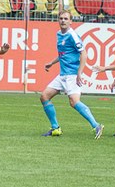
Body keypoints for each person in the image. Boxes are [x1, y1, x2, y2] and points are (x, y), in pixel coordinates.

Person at [39, 10, 104, 139]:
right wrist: (52, 63)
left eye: (66, 18)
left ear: (71, 21)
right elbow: (63, 54)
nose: (63, 20)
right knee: (44, 96)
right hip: (62, 75)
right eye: (61, 18)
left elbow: (83, 53)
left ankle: (96, 125)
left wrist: (79, 73)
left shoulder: (72, 35)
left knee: (74, 102)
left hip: (72, 75)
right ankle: (55, 128)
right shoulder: (59, 34)